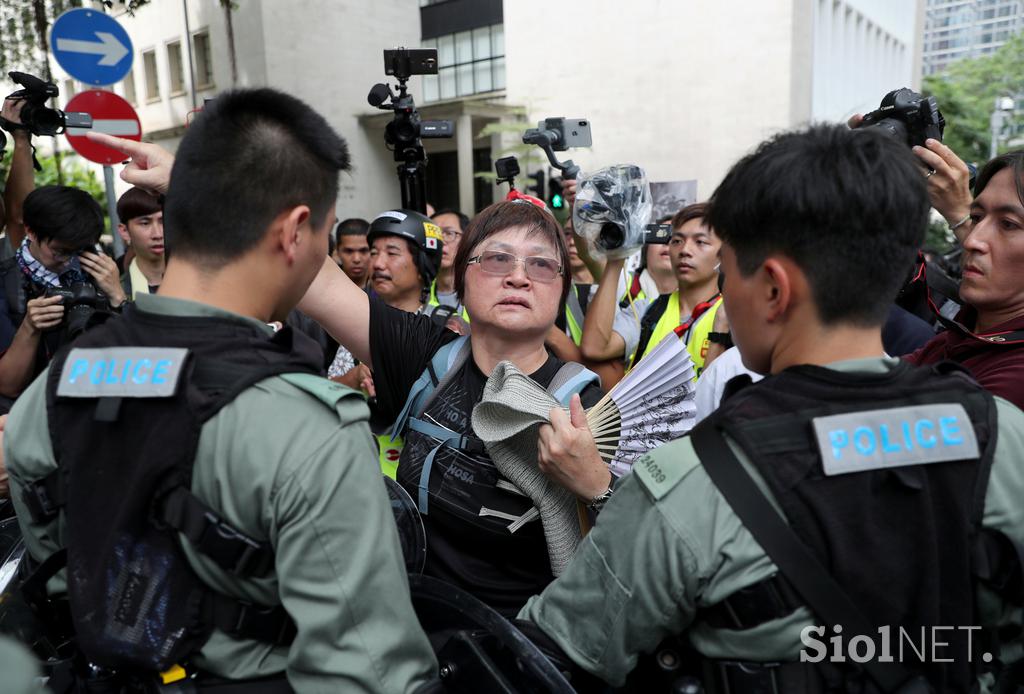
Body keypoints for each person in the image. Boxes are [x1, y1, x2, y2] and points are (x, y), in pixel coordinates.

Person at [522, 124, 1024, 692]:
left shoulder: (692, 484)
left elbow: (548, 659)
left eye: (730, 269)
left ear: (774, 290)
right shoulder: (1004, 438)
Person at [4, 89, 437, 692]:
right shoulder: (307, 428)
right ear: (295, 232)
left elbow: (56, 570)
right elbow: (367, 670)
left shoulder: (51, 392)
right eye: (327, 234)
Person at [298, 200, 607, 617]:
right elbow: (302, 262)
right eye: (498, 259)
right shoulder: (424, 353)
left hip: (517, 646)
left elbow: (620, 569)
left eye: (541, 265)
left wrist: (595, 487)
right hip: (410, 624)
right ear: (461, 277)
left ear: (560, 290)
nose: (518, 277)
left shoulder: (579, 404)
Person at [904, 147, 1024, 410]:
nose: (972, 239)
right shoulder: (959, 337)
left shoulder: (1015, 377)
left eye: (1008, 224)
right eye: (976, 217)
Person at [0, 186, 125, 402]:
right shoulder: (5, 283)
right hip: (34, 411)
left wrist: (118, 297)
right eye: (60, 251)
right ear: (30, 231)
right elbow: (8, 386)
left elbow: (132, 358)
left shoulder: (99, 273)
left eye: (78, 250)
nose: (68, 260)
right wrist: (30, 326)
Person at [581, 203, 724, 378]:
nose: (685, 250)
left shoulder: (732, 314)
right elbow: (594, 348)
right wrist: (616, 259)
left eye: (700, 242)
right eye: (677, 241)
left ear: (724, 252)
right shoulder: (647, 311)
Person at [115, 186, 165, 299]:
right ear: (125, 231)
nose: (157, 234)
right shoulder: (116, 289)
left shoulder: (196, 280)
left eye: (163, 221)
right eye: (145, 223)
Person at [429, 208, 470, 320]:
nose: (441, 241)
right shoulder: (419, 293)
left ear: (466, 240)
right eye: (434, 234)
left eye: (449, 233)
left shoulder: (480, 290)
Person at [333, 217, 371, 289]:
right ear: (337, 251)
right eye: (349, 251)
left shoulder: (386, 289)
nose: (356, 259)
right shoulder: (325, 288)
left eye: (363, 251)